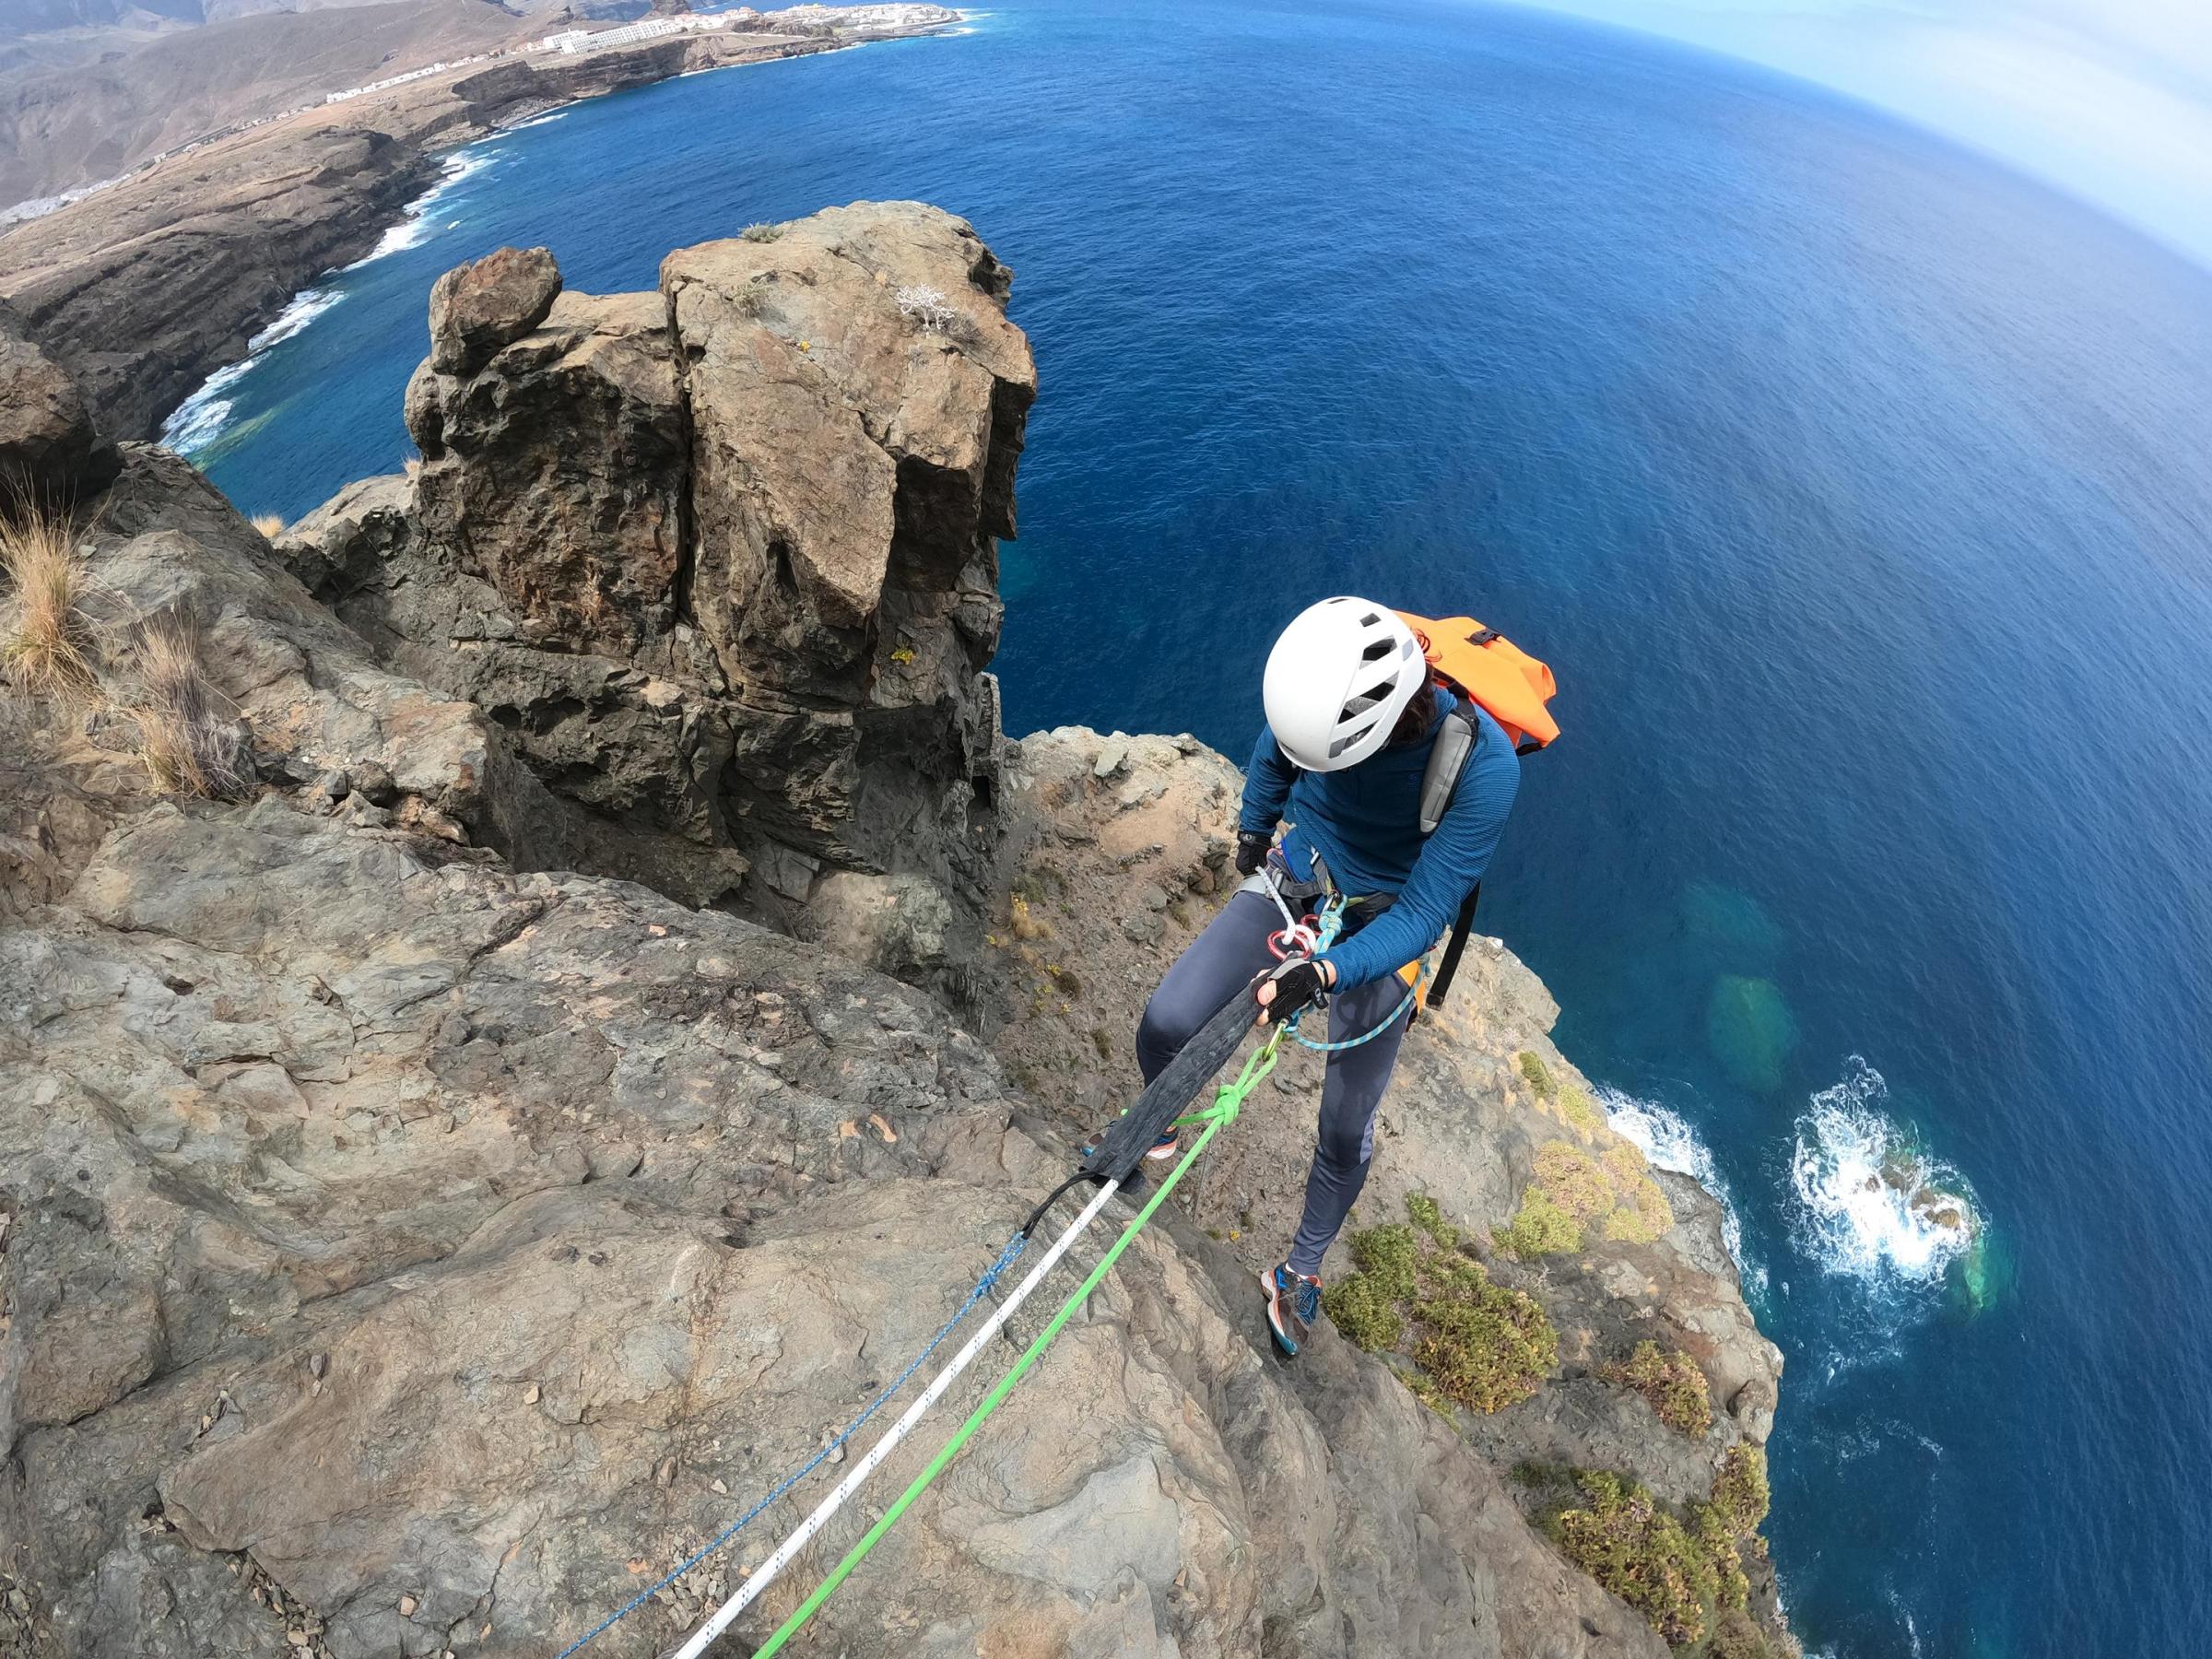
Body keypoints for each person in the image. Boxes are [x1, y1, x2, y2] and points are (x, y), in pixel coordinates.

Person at [1135, 596, 1521, 1356]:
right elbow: (1280, 746)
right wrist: (1256, 820)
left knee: (1345, 1127)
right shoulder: (1323, 694)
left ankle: (1302, 1268)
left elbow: (1424, 912)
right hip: (1302, 874)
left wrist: (1325, 971)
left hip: (1384, 924)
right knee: (1166, 1022)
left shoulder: (1485, 768)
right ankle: (1162, 1120)